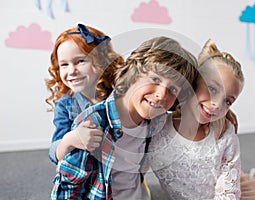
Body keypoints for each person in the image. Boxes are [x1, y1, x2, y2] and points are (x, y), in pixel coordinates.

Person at [48, 35, 200, 199]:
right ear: (133, 75)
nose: (161, 95)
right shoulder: (93, 123)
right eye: (155, 79)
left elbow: (195, 103)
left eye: (172, 89)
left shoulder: (156, 119)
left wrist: (220, 111)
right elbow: (69, 184)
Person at [145, 38, 244, 199]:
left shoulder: (224, 135)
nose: (217, 104)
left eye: (227, 101)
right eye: (212, 89)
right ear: (192, 83)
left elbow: (228, 193)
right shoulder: (157, 126)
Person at [45, 23, 124, 199]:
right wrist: (70, 140)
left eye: (80, 61)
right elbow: (55, 153)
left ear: (101, 61)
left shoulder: (117, 95)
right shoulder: (65, 105)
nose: (71, 71)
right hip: (86, 176)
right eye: (64, 64)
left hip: (120, 169)